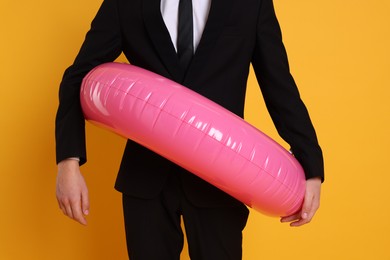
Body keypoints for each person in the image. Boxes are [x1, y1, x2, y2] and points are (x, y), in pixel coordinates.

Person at [55, 0, 324, 259]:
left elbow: (278, 85)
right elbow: (78, 76)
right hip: (147, 179)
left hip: (221, 181)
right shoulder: (127, 2)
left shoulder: (251, 3)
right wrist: (68, 163)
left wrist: (310, 166)